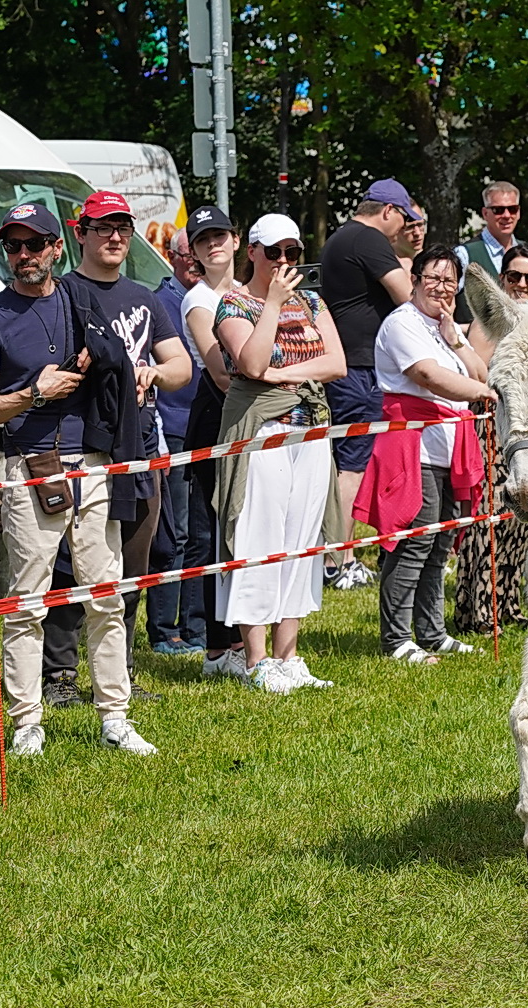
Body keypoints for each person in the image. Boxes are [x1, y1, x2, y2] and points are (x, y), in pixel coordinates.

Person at [0, 201, 158, 757]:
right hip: (26, 470)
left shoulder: (80, 305)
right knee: (26, 602)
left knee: (106, 595)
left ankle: (115, 716)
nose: (23, 256)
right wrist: (33, 393)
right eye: (13, 246)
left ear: (55, 249)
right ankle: (27, 721)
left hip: (93, 464)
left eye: (34, 244)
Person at [40, 192, 193, 705]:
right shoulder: (62, 293)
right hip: (78, 450)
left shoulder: (144, 297)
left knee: (132, 563)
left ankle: (118, 671)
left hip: (140, 447)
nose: (115, 237)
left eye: (123, 228)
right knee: (68, 563)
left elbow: (181, 367)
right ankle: (59, 677)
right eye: (103, 227)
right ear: (79, 232)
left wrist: (154, 370)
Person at [210, 213, 343, 693]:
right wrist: (271, 306)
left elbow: (338, 361)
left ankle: (289, 655)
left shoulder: (311, 300)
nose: (284, 262)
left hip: (309, 430)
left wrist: (285, 372)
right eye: (274, 253)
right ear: (253, 252)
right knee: (259, 540)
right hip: (261, 432)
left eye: (292, 252)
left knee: (300, 541)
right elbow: (250, 362)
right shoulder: (233, 303)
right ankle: (256, 659)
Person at [357, 246, 494, 663]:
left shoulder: (442, 328)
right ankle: (396, 638)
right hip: (413, 445)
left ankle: (432, 632)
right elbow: (428, 376)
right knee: (415, 542)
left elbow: (479, 372)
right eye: (432, 278)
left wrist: (457, 341)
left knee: (441, 543)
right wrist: (486, 394)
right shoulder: (402, 324)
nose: (441, 287)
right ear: (414, 279)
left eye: (449, 280)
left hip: (450, 444)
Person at [318, 179, 418, 589]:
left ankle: (333, 556)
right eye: (403, 221)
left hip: (348, 365)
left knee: (345, 462)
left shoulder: (341, 238)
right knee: (352, 467)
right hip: (359, 368)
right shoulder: (370, 238)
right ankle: (339, 561)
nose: (403, 231)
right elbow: (409, 296)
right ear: (388, 211)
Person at [454, 243, 528, 635]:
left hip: (526, 432)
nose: (521, 284)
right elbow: (479, 373)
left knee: (518, 524)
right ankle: (477, 610)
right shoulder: (489, 320)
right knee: (487, 522)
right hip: (490, 428)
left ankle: (508, 602)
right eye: (513, 277)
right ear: (502, 279)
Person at [177, 206, 247, 678]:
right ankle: (217, 649)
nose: (213, 244)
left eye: (220, 234)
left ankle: (246, 637)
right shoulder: (197, 300)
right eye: (203, 240)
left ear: (237, 240)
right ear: (195, 254)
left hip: (254, 413)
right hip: (217, 416)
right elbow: (221, 373)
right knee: (211, 534)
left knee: (247, 528)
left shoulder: (249, 293)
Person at [146, 228, 203, 657]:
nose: (196, 262)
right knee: (174, 535)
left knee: (202, 534)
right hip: (174, 426)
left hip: (210, 428)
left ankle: (198, 627)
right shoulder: (158, 303)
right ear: (172, 256)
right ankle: (165, 629)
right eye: (189, 254)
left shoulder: (218, 297)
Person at [454, 181, 521, 324]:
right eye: (498, 210)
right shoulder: (464, 254)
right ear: (485, 213)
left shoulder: (527, 253)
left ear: (519, 212)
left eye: (512, 209)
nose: (507, 215)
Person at [393, 201, 428, 270]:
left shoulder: (433, 264)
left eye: (420, 224)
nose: (417, 233)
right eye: (409, 227)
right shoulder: (381, 263)